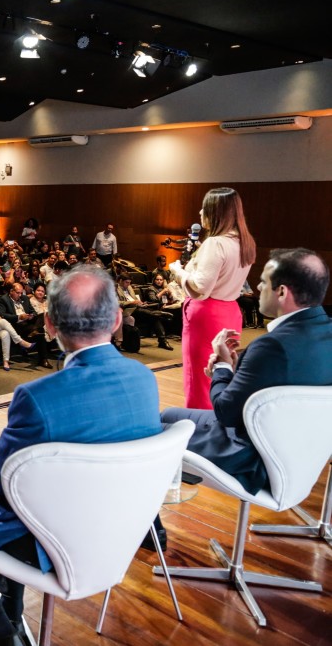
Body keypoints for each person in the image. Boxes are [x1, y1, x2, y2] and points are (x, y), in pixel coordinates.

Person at [0, 266, 161, 646]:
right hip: (117, 529)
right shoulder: (144, 378)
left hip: (53, 541)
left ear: (48, 324)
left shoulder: (38, 397)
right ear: (115, 320)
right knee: (23, 495)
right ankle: (9, 616)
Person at [161, 248, 332, 495]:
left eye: (264, 282)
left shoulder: (271, 346)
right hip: (301, 451)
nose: (258, 289)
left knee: (154, 429)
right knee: (169, 413)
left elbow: (225, 412)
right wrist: (231, 371)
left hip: (252, 456)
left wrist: (221, 366)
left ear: (282, 292)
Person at [167, 187, 256, 409]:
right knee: (221, 370)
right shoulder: (245, 241)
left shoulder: (215, 243)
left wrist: (178, 271)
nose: (200, 212)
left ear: (216, 213)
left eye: (205, 208)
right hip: (229, 312)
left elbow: (199, 289)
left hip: (206, 314)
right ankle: (219, 422)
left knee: (199, 377)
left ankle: (201, 429)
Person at [115, 274, 174, 351]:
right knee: (152, 314)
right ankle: (161, 314)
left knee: (153, 317)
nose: (128, 285)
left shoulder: (129, 287)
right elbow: (116, 302)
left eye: (129, 282)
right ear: (120, 281)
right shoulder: (115, 288)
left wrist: (141, 303)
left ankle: (162, 340)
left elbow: (135, 298)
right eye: (126, 282)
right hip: (127, 309)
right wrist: (131, 302)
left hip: (136, 308)